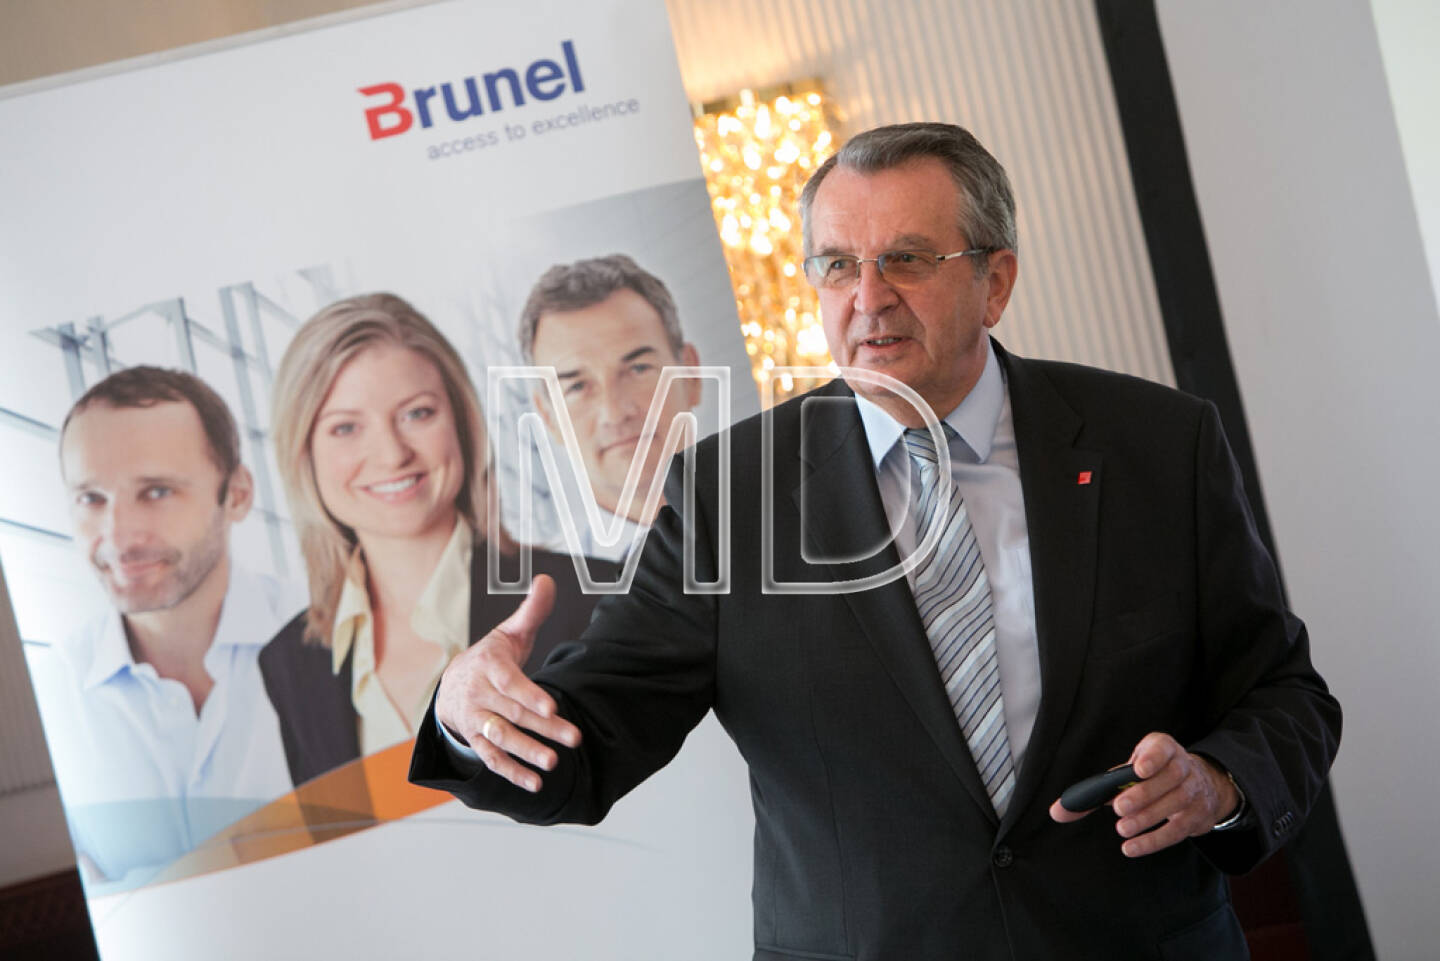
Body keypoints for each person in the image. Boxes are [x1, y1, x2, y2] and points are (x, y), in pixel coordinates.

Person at [411, 124, 1341, 959]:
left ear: (996, 281)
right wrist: (468, 715)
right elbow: (588, 742)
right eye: (835, 265)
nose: (868, 298)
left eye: (906, 258)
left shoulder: (1158, 444)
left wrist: (1219, 781)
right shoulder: (727, 494)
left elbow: (1283, 694)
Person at [260, 293, 613, 790]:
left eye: (417, 414)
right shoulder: (288, 663)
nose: (391, 454)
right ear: (304, 455)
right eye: (345, 428)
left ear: (462, 425)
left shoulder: (596, 599)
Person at [33, 367, 303, 890]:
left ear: (238, 494)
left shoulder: (339, 641)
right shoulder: (52, 697)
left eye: (156, 491)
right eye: (91, 498)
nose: (119, 536)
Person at [518, 254, 702, 560]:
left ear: (691, 375)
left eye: (638, 369)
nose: (614, 414)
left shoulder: (783, 514)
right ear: (549, 418)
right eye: (577, 387)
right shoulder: (550, 584)